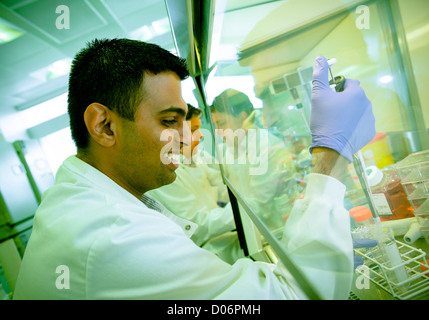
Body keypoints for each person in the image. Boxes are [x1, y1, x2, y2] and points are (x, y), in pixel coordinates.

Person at [13, 39, 375, 300]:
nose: (187, 138)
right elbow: (296, 294)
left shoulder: (88, 200)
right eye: (170, 120)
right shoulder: (112, 235)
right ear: (105, 126)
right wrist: (332, 153)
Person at [146, 105, 243, 264]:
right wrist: (248, 209)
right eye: (193, 130)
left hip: (224, 241)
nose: (200, 137)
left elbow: (223, 188)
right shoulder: (163, 173)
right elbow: (198, 226)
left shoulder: (195, 158)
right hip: (210, 254)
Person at [211, 89, 299, 232]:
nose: (218, 131)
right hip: (254, 230)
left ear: (243, 118)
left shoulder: (267, 147)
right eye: (216, 125)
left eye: (222, 123)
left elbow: (260, 203)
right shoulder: (229, 149)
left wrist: (211, 223)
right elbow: (227, 189)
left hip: (278, 231)